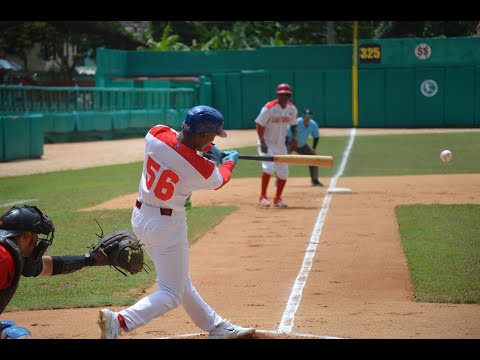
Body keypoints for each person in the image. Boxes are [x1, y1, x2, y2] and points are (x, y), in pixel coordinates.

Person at [97, 105, 256, 339]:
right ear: (202, 135)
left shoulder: (155, 135)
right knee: (171, 292)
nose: (214, 138)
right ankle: (119, 321)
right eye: (212, 135)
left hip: (140, 219)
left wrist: (208, 149)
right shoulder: (200, 167)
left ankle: (217, 327)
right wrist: (229, 161)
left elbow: (179, 141)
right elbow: (220, 178)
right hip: (167, 227)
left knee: (180, 281)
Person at [0, 205, 109, 339]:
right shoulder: (3, 258)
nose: (37, 241)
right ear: (27, 236)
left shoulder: (11, 252)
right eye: (36, 235)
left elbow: (45, 266)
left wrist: (90, 260)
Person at [255, 83, 298, 208]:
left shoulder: (292, 109)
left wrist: (294, 138)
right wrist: (262, 141)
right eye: (281, 94)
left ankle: (277, 199)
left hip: (280, 145)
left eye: (286, 94)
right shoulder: (269, 108)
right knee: (269, 168)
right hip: (266, 143)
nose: (283, 96)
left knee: (283, 172)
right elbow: (259, 124)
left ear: (289, 96)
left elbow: (294, 124)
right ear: (277, 95)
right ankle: (262, 197)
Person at [286, 108, 324, 187]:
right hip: (290, 144)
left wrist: (314, 148)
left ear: (311, 117)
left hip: (302, 145)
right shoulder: (296, 122)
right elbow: (287, 134)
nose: (307, 118)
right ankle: (279, 180)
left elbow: (316, 137)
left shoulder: (313, 124)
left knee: (313, 159)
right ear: (302, 116)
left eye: (309, 116)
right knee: (281, 159)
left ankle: (315, 181)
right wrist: (287, 146)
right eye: (305, 116)